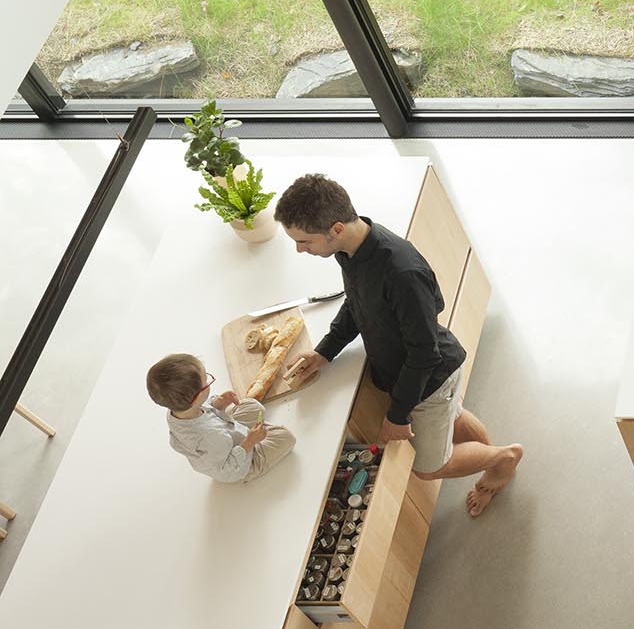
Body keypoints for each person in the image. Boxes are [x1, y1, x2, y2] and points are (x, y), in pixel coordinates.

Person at [273, 173, 523, 517]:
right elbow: (357, 301)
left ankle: (504, 459)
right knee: (454, 414)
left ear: (335, 229)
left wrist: (398, 414)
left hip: (430, 380)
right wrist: (325, 351)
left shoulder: (400, 271)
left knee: (429, 467)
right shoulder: (352, 249)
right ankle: (493, 457)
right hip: (427, 379)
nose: (300, 250)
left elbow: (423, 353)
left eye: (304, 242)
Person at [147, 353, 296, 484]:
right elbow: (227, 467)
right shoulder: (210, 437)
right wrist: (250, 442)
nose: (209, 380)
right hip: (238, 464)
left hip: (226, 432)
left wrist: (218, 404)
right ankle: (258, 443)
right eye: (207, 380)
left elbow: (205, 408)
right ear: (198, 396)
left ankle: (256, 433)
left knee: (252, 405)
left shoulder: (180, 410)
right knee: (286, 437)